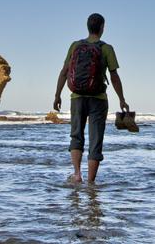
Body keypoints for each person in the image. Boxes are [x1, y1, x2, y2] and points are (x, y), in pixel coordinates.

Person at [53, 13, 129, 183]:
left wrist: (57, 95)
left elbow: (64, 71)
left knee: (76, 136)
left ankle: (77, 174)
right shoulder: (106, 48)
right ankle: (91, 182)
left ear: (88, 27)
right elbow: (114, 76)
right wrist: (122, 99)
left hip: (77, 97)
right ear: (102, 27)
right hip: (98, 99)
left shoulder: (75, 46)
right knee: (96, 140)